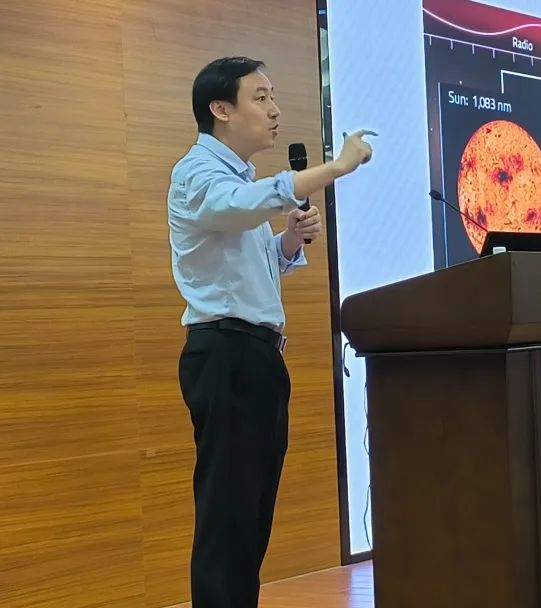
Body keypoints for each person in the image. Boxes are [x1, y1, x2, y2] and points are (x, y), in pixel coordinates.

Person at [167, 56, 373, 608]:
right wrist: (336, 168)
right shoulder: (197, 173)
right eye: (260, 97)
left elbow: (254, 269)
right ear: (220, 109)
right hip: (225, 354)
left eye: (273, 96)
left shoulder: (239, 181)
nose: (275, 109)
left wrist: (288, 242)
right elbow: (240, 207)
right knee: (228, 518)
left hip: (255, 357)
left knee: (250, 517)